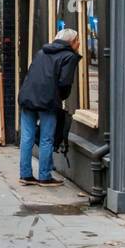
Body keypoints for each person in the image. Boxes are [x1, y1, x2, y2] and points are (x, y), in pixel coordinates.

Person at [18, 29, 81, 186]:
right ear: (71, 42)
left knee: (27, 137)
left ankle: (25, 175)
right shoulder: (69, 57)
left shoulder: (42, 52)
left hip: (28, 97)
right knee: (47, 138)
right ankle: (44, 176)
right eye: (78, 40)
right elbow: (65, 83)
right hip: (48, 101)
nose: (79, 43)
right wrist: (60, 98)